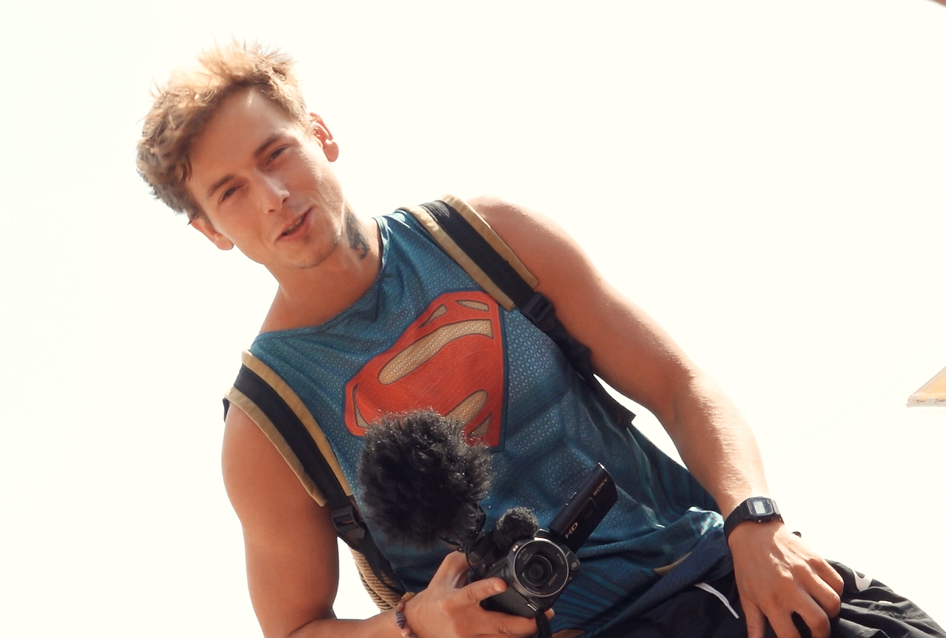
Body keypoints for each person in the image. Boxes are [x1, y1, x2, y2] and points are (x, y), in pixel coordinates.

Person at [135, 42, 943, 638]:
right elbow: (295, 629)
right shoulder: (266, 426)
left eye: (276, 153)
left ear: (320, 134)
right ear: (210, 230)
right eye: (231, 191)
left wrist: (756, 522)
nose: (273, 196)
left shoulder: (486, 238)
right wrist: (416, 624)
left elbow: (678, 383)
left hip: (715, 578)